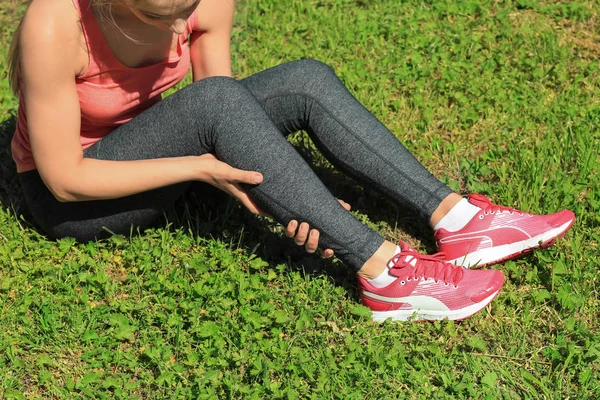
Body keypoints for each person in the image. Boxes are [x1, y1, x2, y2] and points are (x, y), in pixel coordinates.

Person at [8, 0, 575, 321]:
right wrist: (203, 170)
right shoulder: (57, 23)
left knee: (303, 79)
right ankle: (382, 272)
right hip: (76, 197)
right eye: (164, 21)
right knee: (213, 102)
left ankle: (457, 220)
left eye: (188, 10)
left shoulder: (199, 4)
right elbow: (65, 181)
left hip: (162, 145)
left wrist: (280, 187)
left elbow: (228, 122)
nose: (184, 30)